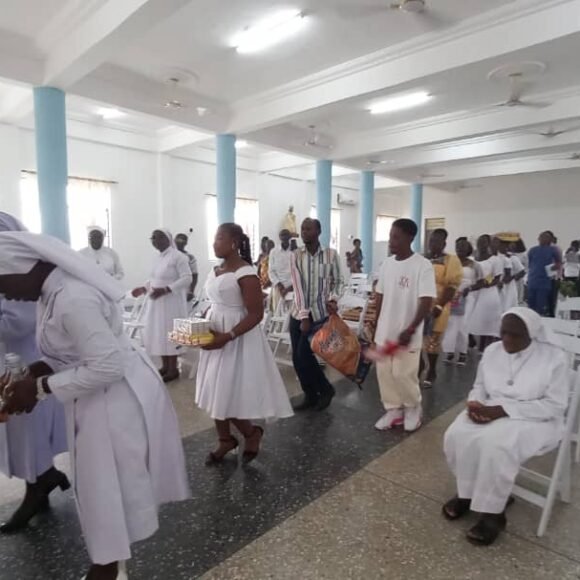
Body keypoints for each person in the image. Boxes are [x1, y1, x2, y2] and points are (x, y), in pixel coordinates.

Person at [0, 231, 189, 580]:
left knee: (105, 492)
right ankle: (109, 564)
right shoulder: (49, 291)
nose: (2, 292)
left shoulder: (72, 297)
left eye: (1, 281)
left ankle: (105, 568)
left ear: (22, 268)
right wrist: (30, 374)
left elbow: (108, 366)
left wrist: (39, 388)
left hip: (115, 402)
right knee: (100, 490)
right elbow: (67, 354)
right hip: (100, 394)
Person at [443, 307, 568, 546]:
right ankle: (468, 494)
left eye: (516, 335)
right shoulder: (492, 351)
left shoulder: (554, 358)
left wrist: (501, 411)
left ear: (531, 335)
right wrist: (474, 403)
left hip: (534, 418)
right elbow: (479, 386)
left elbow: (554, 406)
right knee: (456, 434)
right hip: (491, 408)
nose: (507, 340)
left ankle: (493, 514)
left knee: (496, 445)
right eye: (504, 333)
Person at [196, 224, 293, 465]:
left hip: (236, 338)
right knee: (215, 389)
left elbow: (255, 314)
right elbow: (215, 302)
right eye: (214, 237)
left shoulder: (246, 273)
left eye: (219, 238)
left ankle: (251, 433)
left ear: (234, 242)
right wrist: (203, 321)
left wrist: (226, 336)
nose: (214, 242)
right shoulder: (216, 269)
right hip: (215, 332)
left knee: (227, 391)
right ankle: (225, 439)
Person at [0, 212, 68, 534]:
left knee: (27, 427)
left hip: (25, 358)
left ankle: (37, 488)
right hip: (10, 358)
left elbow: (19, 321)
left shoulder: (19, 270)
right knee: (19, 429)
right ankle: (44, 479)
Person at [372, 219, 436, 432]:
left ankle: (413, 407)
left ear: (410, 238)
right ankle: (393, 409)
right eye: (390, 236)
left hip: (407, 333)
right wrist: (374, 322)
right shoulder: (387, 264)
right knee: (385, 373)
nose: (391, 241)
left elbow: (426, 300)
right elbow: (379, 295)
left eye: (396, 236)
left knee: (403, 374)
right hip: (385, 332)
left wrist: (411, 329)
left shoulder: (422, 265)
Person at [289, 218, 343, 412]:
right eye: (302, 229)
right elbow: (298, 288)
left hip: (319, 314)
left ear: (318, 231)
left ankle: (326, 389)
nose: (304, 232)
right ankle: (310, 396)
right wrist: (303, 316)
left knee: (304, 355)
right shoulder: (295, 255)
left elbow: (339, 281)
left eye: (308, 229)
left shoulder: (331, 255)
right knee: (297, 358)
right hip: (298, 314)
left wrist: (334, 299)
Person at [132, 230, 192, 382]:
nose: (154, 240)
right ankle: (165, 366)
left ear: (167, 239)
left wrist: (166, 289)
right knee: (159, 333)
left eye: (157, 237)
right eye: (152, 238)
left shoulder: (179, 257)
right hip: (156, 302)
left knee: (171, 333)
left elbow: (187, 278)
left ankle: (173, 369)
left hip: (171, 302)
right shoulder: (156, 258)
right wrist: (143, 288)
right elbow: (153, 279)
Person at [422, 228, 463, 386]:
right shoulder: (423, 258)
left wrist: (439, 305)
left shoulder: (450, 260)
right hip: (421, 302)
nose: (432, 244)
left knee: (433, 339)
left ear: (444, 243)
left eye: (436, 241)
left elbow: (452, 286)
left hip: (440, 303)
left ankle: (431, 370)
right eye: (431, 241)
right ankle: (419, 366)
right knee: (417, 338)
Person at [442, 239, 479, 366]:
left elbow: (482, 282)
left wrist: (469, 289)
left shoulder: (474, 265)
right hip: (452, 296)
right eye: (458, 246)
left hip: (468, 297)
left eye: (463, 247)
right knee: (451, 324)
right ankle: (450, 351)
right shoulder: (451, 262)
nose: (460, 249)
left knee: (463, 325)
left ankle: (462, 353)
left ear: (468, 248)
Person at [466, 234, 504, 352]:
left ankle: (483, 346)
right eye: (479, 242)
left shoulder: (495, 260)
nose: (480, 244)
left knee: (485, 320)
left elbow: (497, 278)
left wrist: (485, 284)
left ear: (488, 244)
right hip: (472, 292)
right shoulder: (472, 259)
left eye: (483, 242)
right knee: (467, 318)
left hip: (487, 293)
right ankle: (470, 339)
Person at [527, 231, 561, 316]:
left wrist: (555, 266)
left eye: (546, 237)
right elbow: (530, 263)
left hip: (544, 281)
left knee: (541, 305)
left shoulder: (553, 250)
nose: (543, 239)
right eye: (541, 237)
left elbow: (559, 262)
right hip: (532, 280)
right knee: (531, 305)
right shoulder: (533, 250)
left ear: (550, 240)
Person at [269, 229, 294, 313]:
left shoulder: (295, 251)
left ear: (290, 236)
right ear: (279, 237)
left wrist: (290, 287)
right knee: (278, 314)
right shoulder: (274, 252)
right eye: (282, 235)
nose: (284, 237)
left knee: (292, 314)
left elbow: (299, 271)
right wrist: (280, 286)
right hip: (279, 288)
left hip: (293, 288)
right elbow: (271, 271)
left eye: (286, 235)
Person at [174, 233, 198, 301]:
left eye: (182, 241)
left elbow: (195, 275)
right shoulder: (168, 256)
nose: (180, 242)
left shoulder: (190, 257)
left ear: (186, 243)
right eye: (178, 240)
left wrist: (191, 291)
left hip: (185, 291)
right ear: (174, 241)